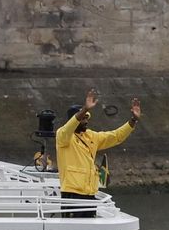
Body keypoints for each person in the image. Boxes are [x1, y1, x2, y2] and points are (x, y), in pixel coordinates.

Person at [56, 88, 141, 218]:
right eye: (83, 118)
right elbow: (69, 127)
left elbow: (116, 136)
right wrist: (84, 109)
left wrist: (133, 121)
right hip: (72, 193)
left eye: (87, 118)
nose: (86, 120)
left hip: (90, 192)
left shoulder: (91, 136)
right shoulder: (63, 136)